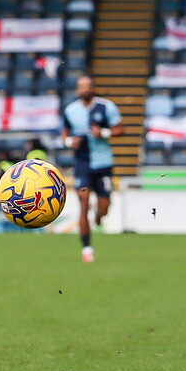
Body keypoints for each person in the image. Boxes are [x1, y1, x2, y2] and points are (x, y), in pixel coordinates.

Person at [62, 76, 124, 263]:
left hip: (103, 164)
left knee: (104, 206)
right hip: (82, 165)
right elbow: (65, 132)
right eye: (81, 86)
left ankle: (99, 215)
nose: (85, 89)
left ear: (93, 89)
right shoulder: (71, 110)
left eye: (88, 86)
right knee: (83, 202)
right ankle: (87, 249)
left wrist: (103, 133)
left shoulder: (107, 107)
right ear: (77, 90)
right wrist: (68, 142)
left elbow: (121, 129)